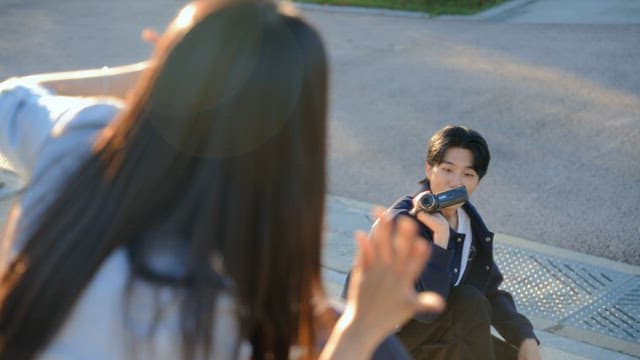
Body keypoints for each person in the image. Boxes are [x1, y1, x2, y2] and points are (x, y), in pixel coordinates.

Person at [0, 1, 443, 359]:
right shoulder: (210, 310)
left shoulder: (85, 140)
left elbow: (9, 96)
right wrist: (360, 331)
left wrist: (156, 78)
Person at [345, 125, 541, 359]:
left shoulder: (469, 223)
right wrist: (440, 241)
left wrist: (525, 337)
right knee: (469, 303)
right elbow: (426, 311)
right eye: (447, 170)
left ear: (478, 181)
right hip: (381, 344)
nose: (455, 182)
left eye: (468, 174)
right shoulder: (402, 224)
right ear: (430, 169)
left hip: (431, 335)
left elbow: (489, 288)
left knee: (512, 354)